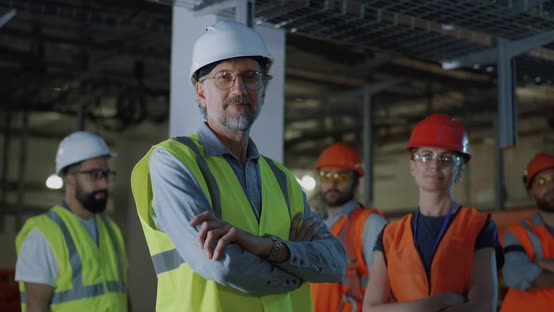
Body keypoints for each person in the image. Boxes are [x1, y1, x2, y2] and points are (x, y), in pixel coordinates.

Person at [130, 20, 346, 312]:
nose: (239, 89)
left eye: (250, 77)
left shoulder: (281, 179)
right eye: (224, 77)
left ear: (264, 90)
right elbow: (222, 264)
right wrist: (298, 269)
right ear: (201, 92)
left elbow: (335, 261)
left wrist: (270, 248)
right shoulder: (174, 162)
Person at [363, 113, 504, 312]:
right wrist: (433, 304)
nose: (435, 164)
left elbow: (483, 306)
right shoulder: (390, 236)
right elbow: (370, 309)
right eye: (426, 156)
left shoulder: (478, 227)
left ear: (459, 171)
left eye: (446, 158)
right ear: (412, 166)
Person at [15, 131, 127, 311]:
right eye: (95, 174)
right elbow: (35, 307)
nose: (104, 184)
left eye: (106, 174)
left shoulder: (112, 231)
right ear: (70, 178)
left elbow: (122, 297)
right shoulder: (43, 234)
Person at [500, 153, 554, 311]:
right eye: (542, 182)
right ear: (531, 191)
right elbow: (515, 276)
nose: (551, 187)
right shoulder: (516, 233)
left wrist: (539, 263)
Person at [311, 142, 388, 312]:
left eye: (342, 177)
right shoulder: (315, 226)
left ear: (356, 182)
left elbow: (388, 288)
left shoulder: (370, 224)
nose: (332, 183)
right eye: (326, 175)